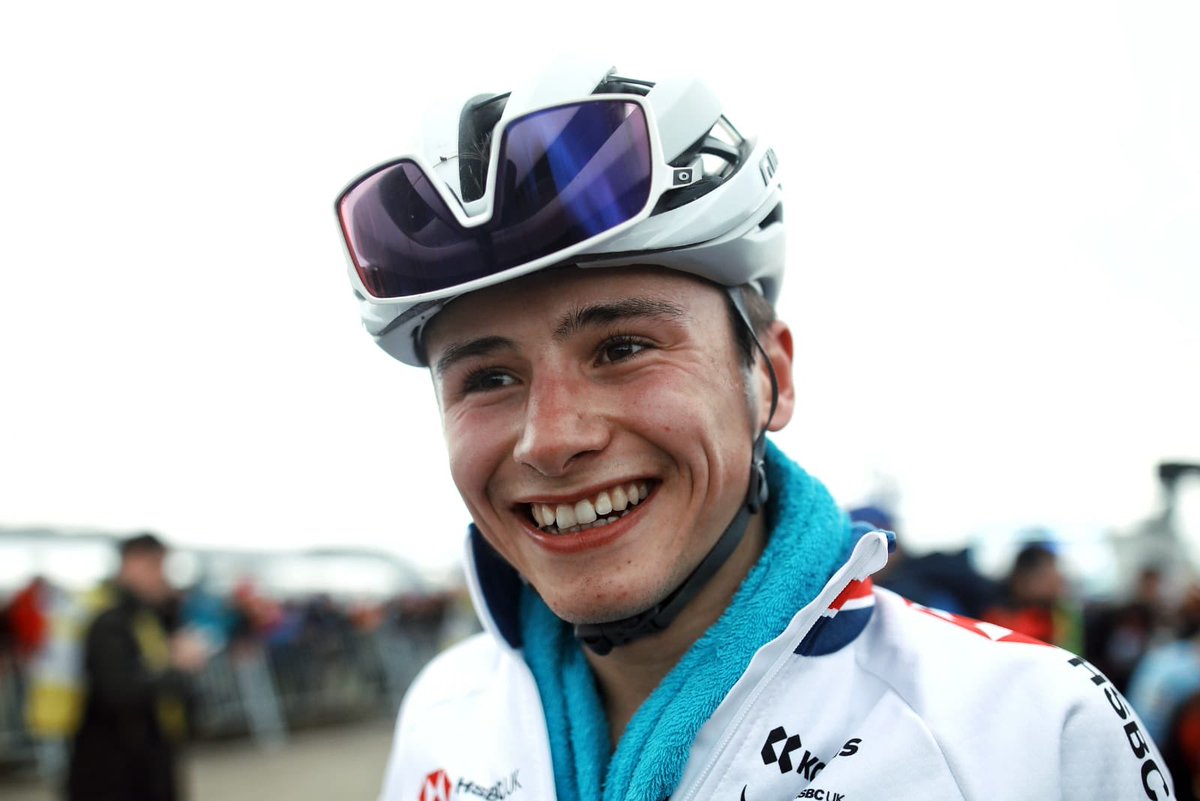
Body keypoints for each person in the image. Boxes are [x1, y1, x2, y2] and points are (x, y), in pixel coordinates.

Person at [335, 58, 1173, 800]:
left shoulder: (1030, 732)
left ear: (771, 374)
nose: (550, 439)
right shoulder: (440, 714)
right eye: (488, 378)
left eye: (623, 347)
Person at [66, 533, 209, 801]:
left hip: (140, 760)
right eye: (158, 566)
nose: (164, 577)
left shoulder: (144, 615)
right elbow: (119, 690)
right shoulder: (108, 618)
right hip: (113, 768)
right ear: (133, 563)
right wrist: (178, 669)